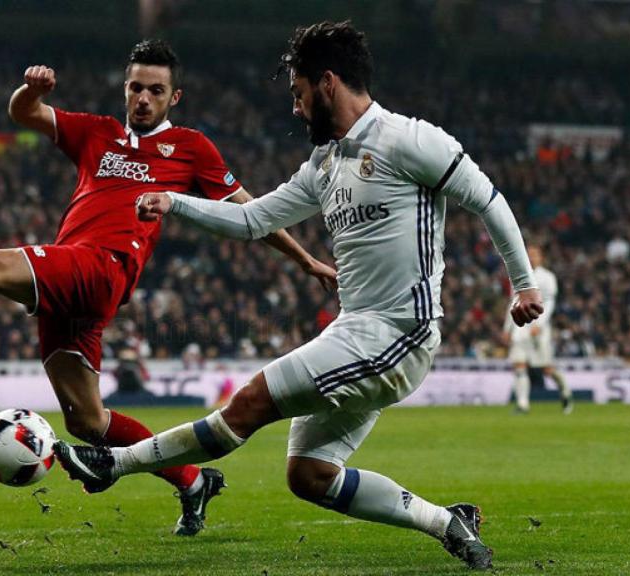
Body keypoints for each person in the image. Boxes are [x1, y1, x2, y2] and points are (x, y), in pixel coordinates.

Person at [52, 21, 544, 570]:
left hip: (401, 334)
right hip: (356, 332)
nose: (295, 108)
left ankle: (113, 464)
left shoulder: (410, 140)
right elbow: (252, 219)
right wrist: (175, 201)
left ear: (327, 83)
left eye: (298, 93)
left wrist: (521, 283)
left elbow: (489, 200)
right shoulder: (324, 164)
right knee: (308, 475)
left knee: (250, 403)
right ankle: (446, 522)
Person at [0, 39, 336, 536]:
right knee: (89, 421)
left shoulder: (191, 148)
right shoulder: (97, 133)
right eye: (136, 87)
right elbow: (24, 114)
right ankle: (193, 481)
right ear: (124, 87)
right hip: (73, 279)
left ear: (174, 97)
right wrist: (32, 91)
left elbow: (251, 210)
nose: (144, 98)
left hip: (103, 268)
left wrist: (307, 259)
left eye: (156, 90)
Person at [504, 245, 571, 414]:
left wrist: (538, 325)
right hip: (520, 327)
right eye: (529, 254)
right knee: (519, 364)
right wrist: (507, 328)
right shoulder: (517, 275)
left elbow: (549, 303)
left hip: (538, 328)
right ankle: (523, 404)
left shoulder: (548, 277)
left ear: (541, 258)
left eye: (534, 255)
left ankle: (565, 391)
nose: (531, 257)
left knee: (547, 369)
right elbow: (513, 302)